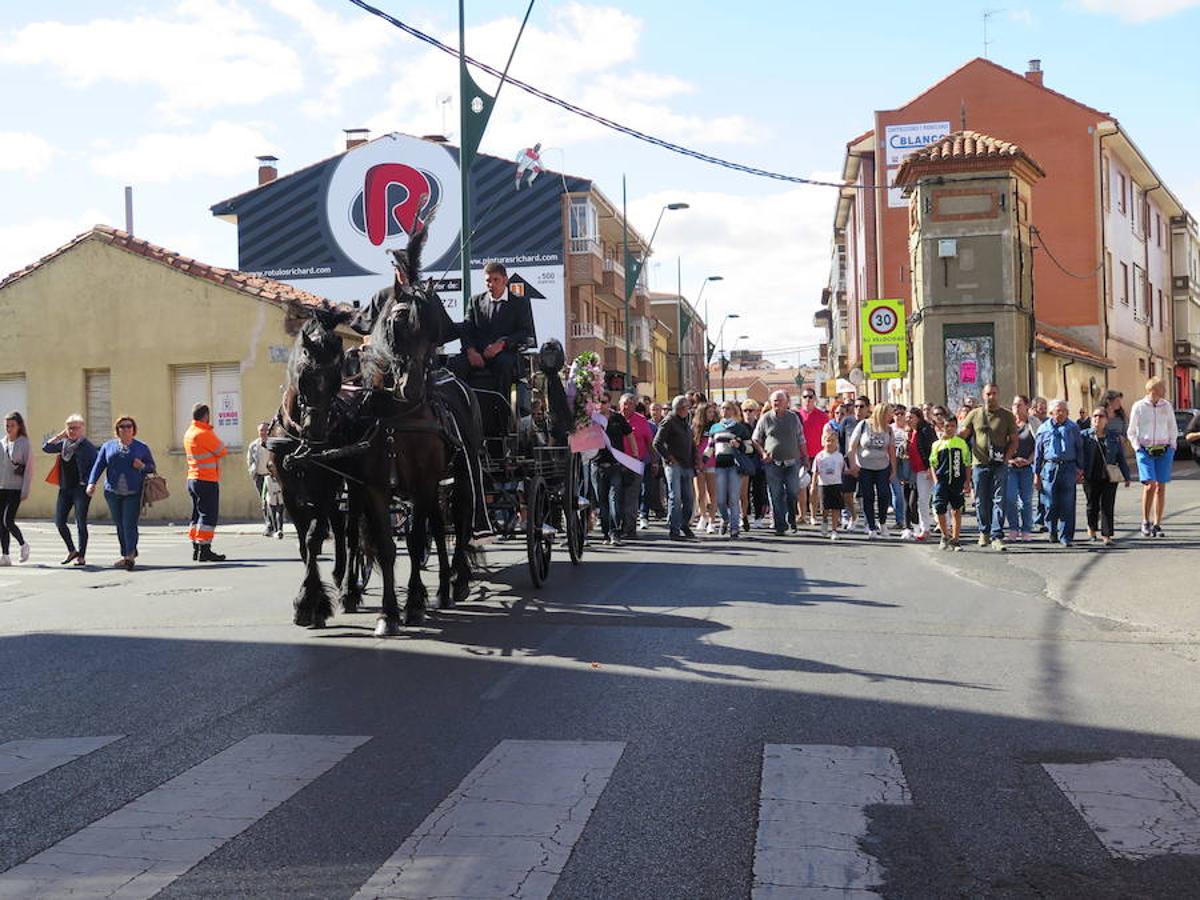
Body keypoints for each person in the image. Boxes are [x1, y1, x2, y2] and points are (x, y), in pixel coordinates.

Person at [456, 261, 535, 399]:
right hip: (478, 353)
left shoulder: (519, 303)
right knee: (455, 365)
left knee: (504, 365)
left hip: (504, 353)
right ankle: (461, 409)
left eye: (495, 280)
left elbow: (525, 332)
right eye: (488, 281)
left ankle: (500, 409)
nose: (491, 284)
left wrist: (502, 345)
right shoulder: (475, 301)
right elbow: (466, 328)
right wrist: (471, 351)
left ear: (505, 280)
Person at [86, 416, 156, 570]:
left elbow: (151, 467)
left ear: (134, 429)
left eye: (129, 426)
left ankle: (130, 555)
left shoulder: (141, 447)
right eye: (122, 426)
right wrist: (91, 483)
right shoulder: (108, 446)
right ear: (117, 430)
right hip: (112, 491)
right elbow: (98, 466)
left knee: (128, 523)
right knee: (119, 524)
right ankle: (126, 553)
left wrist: (142, 466)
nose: (125, 429)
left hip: (134, 491)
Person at [958, 383, 1017, 551]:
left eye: (994, 393)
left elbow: (1013, 440)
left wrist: (1006, 459)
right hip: (980, 464)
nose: (991, 397)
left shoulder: (1007, 415)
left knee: (999, 499)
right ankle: (984, 531)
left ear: (998, 394)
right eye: (988, 394)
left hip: (999, 465)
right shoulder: (975, 414)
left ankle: (997, 536)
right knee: (981, 500)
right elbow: (963, 434)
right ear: (983, 395)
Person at [42, 414, 99, 566]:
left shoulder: (87, 447)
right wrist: (60, 435)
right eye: (69, 428)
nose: (72, 431)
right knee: (59, 522)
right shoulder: (64, 444)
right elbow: (46, 447)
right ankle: (72, 550)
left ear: (82, 429)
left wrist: (89, 483)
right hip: (65, 488)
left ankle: (81, 556)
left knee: (80, 522)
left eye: (75, 428)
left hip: (80, 489)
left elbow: (96, 467)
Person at [1126, 377, 1178, 537]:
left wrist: (1172, 446)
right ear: (1154, 390)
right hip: (1145, 450)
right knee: (1150, 485)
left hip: (1164, 450)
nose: (1165, 391)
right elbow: (1131, 431)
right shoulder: (1139, 406)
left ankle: (1157, 524)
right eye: (1163, 387)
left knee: (1161, 487)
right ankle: (1145, 521)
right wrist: (1137, 448)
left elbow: (1172, 427)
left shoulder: (1166, 405)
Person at [752, 390, 806, 535]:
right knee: (776, 495)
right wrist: (763, 453)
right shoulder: (765, 419)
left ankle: (791, 520)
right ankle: (780, 525)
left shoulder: (793, 418)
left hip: (792, 462)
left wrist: (805, 457)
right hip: (772, 463)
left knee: (792, 492)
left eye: (780, 400)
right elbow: (755, 439)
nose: (777, 403)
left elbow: (801, 438)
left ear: (786, 402)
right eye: (774, 401)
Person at [1034, 399, 1084, 547]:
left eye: (1063, 410)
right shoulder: (1043, 429)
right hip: (1050, 468)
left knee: (1068, 503)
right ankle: (1052, 530)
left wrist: (1080, 468)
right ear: (1051, 413)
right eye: (1058, 410)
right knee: (1050, 502)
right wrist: (1036, 474)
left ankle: (1066, 536)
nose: (1061, 413)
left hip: (1068, 467)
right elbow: (1038, 453)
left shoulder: (1073, 428)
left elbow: (1079, 448)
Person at [184, 403, 229, 562]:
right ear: (206, 416)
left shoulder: (189, 432)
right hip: (206, 479)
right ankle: (205, 550)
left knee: (196, 515)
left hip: (193, 478)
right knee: (208, 516)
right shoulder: (204, 433)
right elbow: (222, 451)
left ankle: (196, 548)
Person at [1081, 407, 1131, 546]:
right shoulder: (1084, 435)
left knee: (1107, 506)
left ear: (1106, 420)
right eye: (1095, 416)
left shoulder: (1113, 436)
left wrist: (1126, 476)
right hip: (1091, 475)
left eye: (1101, 416)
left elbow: (1121, 457)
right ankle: (1091, 528)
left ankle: (1107, 535)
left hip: (1109, 476)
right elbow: (1079, 455)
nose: (1097, 418)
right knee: (1092, 505)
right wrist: (1079, 471)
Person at [847, 403, 896, 539]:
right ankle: (871, 527)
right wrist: (853, 465)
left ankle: (883, 523)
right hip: (865, 467)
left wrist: (893, 469)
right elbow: (852, 447)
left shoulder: (888, 429)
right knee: (868, 496)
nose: (891, 416)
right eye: (889, 414)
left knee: (884, 494)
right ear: (881, 413)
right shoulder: (863, 425)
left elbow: (891, 450)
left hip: (882, 467)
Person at [653, 394, 696, 541]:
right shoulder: (669, 421)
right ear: (678, 408)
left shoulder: (686, 421)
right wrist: (669, 457)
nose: (688, 410)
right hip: (674, 465)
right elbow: (657, 442)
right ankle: (674, 529)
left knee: (689, 499)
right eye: (685, 407)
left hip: (687, 465)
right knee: (675, 497)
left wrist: (696, 461)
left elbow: (692, 443)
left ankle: (684, 524)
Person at [707, 400, 752, 539]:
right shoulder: (715, 428)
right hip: (719, 466)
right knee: (720, 499)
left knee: (733, 498)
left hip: (734, 466)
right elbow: (710, 448)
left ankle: (734, 528)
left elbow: (749, 448)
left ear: (733, 411)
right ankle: (725, 518)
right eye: (722, 408)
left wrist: (739, 445)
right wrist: (701, 461)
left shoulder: (740, 428)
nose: (725, 411)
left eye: (727, 408)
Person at [593, 394, 632, 546]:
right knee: (601, 501)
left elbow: (629, 435)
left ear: (609, 403)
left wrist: (633, 455)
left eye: (604, 402)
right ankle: (605, 533)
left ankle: (615, 533)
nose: (601, 405)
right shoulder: (591, 420)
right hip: (597, 465)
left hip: (615, 465)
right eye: (598, 402)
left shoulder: (617, 418)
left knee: (614, 499)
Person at [930, 415, 971, 551]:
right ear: (943, 426)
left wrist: (966, 481)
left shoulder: (961, 443)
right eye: (947, 426)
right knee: (940, 508)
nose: (950, 429)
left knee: (956, 510)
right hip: (942, 481)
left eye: (953, 426)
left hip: (957, 481)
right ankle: (944, 535)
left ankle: (956, 539)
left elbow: (966, 463)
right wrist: (936, 480)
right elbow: (933, 463)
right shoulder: (937, 444)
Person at [0, 412, 34, 566]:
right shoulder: (2, 443)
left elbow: (29, 469)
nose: (9, 428)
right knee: (1, 523)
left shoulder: (24, 443)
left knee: (8, 520)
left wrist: (25, 490)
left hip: (16, 488)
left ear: (19, 426)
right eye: (7, 425)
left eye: (12, 425)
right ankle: (5, 555)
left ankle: (23, 544)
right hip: (2, 487)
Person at [1003, 395, 1038, 542]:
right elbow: (1000, 445)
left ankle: (1026, 529)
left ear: (1027, 406)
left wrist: (1029, 460)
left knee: (1026, 500)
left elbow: (1039, 444)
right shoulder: (1007, 423)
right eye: (1014, 405)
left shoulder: (1033, 423)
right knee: (1010, 498)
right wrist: (1010, 460)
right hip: (1010, 466)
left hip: (1027, 467)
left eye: (1019, 405)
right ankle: (1013, 528)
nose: (1016, 408)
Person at [618, 393, 653, 539]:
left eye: (630, 403)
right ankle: (617, 526)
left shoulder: (641, 420)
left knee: (631, 496)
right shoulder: (613, 419)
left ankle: (630, 528)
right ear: (620, 404)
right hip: (617, 462)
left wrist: (655, 461)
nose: (627, 406)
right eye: (625, 403)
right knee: (617, 496)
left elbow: (649, 442)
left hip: (635, 462)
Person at [796, 389, 829, 526]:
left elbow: (828, 436)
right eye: (805, 397)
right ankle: (802, 515)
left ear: (815, 398)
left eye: (810, 397)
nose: (808, 399)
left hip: (818, 456)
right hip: (800, 455)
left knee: (813, 487)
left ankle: (813, 515)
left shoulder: (822, 416)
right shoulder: (796, 416)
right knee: (801, 487)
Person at [903, 407, 936, 541]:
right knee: (922, 500)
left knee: (940, 499)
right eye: (907, 417)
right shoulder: (910, 432)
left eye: (911, 417)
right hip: (919, 471)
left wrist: (930, 467)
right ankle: (925, 529)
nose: (908, 419)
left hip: (930, 469)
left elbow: (933, 448)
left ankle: (948, 526)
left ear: (918, 418)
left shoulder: (926, 430)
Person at [812, 428, 846, 540]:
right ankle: (825, 521)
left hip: (836, 484)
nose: (830, 443)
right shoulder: (820, 456)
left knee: (836, 508)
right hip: (824, 485)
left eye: (833, 441)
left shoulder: (839, 456)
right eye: (828, 440)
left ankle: (834, 529)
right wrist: (813, 485)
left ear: (837, 443)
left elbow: (843, 470)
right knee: (825, 508)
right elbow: (815, 472)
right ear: (823, 442)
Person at [693, 403, 719, 533]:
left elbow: (715, 446)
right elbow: (692, 446)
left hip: (712, 463)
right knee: (700, 494)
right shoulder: (694, 427)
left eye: (712, 412)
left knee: (712, 493)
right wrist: (697, 462)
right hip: (697, 464)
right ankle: (703, 516)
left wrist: (705, 460)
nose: (711, 415)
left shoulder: (716, 427)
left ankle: (712, 521)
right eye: (709, 412)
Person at [740, 400, 767, 529]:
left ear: (756, 412)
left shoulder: (760, 425)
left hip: (758, 463)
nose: (748, 413)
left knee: (758, 490)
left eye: (750, 410)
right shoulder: (739, 426)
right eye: (745, 410)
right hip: (744, 463)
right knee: (743, 492)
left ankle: (758, 517)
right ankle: (744, 515)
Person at [246, 421, 275, 536]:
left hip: (272, 477)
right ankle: (269, 525)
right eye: (261, 430)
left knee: (274, 502)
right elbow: (250, 460)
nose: (263, 432)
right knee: (265, 502)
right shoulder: (254, 445)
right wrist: (252, 472)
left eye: (266, 430)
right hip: (260, 477)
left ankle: (277, 525)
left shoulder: (273, 444)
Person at [890, 403, 912, 538]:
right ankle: (899, 519)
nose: (899, 416)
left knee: (906, 492)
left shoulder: (908, 429)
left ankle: (908, 518)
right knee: (896, 493)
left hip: (906, 462)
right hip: (893, 462)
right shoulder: (890, 429)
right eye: (896, 414)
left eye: (901, 414)